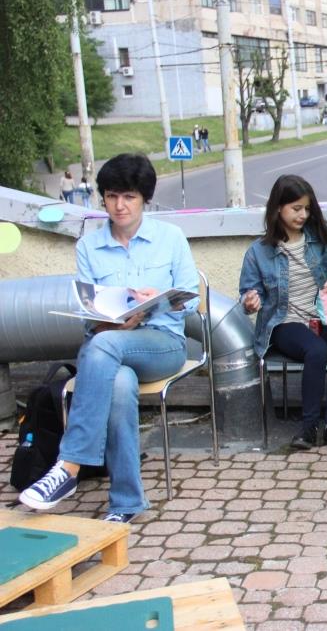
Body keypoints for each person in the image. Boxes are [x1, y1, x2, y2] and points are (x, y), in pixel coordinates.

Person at [19, 154, 199, 523]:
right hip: (111, 343)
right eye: (112, 196)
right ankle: (126, 503)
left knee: (101, 349)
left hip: (162, 344)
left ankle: (68, 466)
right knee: (117, 381)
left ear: (144, 199)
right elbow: (91, 317)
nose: (120, 205)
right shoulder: (89, 247)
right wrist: (114, 323)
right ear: (103, 198)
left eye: (129, 197)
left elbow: (191, 300)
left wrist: (156, 300)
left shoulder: (170, 238)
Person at [239, 174, 327, 450]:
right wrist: (250, 301)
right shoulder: (258, 251)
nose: (303, 215)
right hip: (284, 321)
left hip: (322, 317)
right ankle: (308, 428)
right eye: (296, 208)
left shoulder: (324, 236)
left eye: (307, 209)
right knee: (317, 350)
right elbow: (249, 294)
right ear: (278, 208)